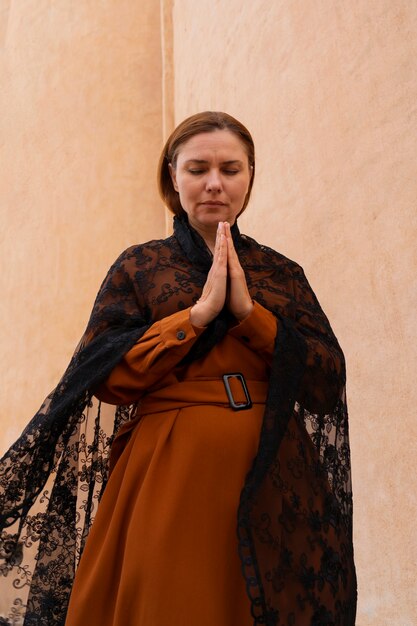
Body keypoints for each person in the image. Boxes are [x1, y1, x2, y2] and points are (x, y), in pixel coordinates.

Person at [0, 112, 356, 626]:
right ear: (174, 176)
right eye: (198, 168)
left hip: (277, 472)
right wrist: (196, 316)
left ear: (250, 175)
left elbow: (326, 380)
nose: (214, 182)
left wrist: (250, 317)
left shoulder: (282, 273)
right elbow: (106, 377)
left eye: (230, 168)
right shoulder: (140, 266)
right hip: (168, 477)